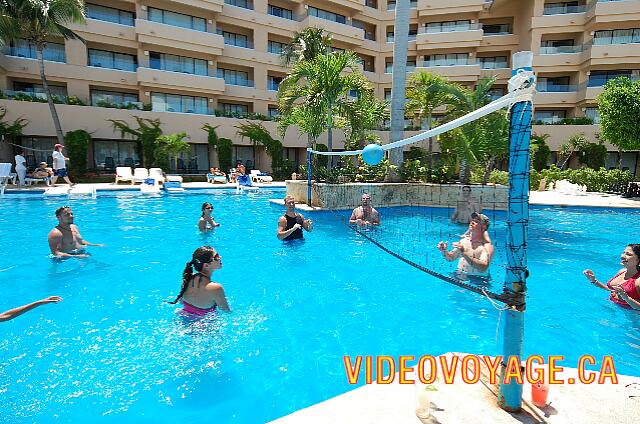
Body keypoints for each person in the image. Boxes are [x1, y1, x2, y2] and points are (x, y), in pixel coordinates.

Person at [168, 245, 230, 315]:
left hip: (183, 316)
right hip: (203, 324)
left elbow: (181, 301)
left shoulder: (187, 278)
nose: (220, 257)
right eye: (216, 257)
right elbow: (226, 311)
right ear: (206, 265)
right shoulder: (215, 287)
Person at [583, 244, 640, 310]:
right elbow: (612, 290)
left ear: (638, 259)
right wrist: (594, 281)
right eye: (623, 253)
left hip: (631, 315)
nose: (622, 256)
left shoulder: (638, 280)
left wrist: (626, 298)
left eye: (628, 254)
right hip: (612, 306)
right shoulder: (621, 271)